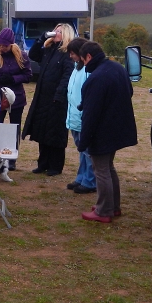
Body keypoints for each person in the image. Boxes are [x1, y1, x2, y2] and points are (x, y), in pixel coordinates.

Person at [77, 41, 138, 223]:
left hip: (102, 132)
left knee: (101, 170)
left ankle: (104, 211)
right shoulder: (117, 68)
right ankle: (113, 206)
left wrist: (84, 141)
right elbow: (130, 91)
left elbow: (91, 114)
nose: (84, 65)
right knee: (109, 168)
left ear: (88, 57)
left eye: (83, 60)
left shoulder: (96, 79)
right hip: (118, 128)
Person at [22, 23, 75, 176]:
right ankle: (43, 163)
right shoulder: (48, 49)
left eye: (59, 31)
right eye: (55, 30)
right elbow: (33, 55)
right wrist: (40, 39)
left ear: (66, 35)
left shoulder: (67, 54)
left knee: (55, 133)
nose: (55, 33)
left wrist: (59, 95)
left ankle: (55, 166)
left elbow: (67, 76)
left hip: (57, 98)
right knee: (42, 130)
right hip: (43, 96)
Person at [0, 28, 32, 170]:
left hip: (16, 98)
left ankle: (12, 159)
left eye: (4, 46)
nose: (1, 48)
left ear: (11, 44)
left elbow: (28, 75)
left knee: (14, 128)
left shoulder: (22, 56)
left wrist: (14, 79)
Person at [64, 37, 95, 194]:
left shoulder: (88, 71)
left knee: (88, 152)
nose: (71, 56)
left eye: (72, 53)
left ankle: (90, 181)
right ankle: (81, 178)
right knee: (81, 151)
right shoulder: (76, 68)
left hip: (82, 118)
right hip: (74, 117)